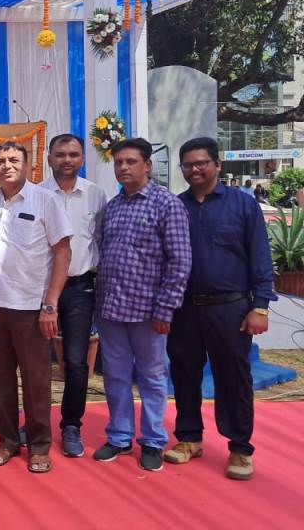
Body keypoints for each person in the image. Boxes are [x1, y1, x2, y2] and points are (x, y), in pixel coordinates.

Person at [165, 137, 276, 481]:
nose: (195, 169)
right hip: (184, 309)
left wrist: (260, 306)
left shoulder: (243, 204)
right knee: (184, 374)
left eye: (201, 163)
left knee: (233, 378)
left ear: (218, 164)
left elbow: (260, 255)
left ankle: (240, 447)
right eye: (188, 165)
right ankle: (189, 437)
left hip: (230, 308)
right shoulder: (175, 206)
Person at [93, 138, 191, 472]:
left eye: (131, 161)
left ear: (147, 165)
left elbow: (180, 262)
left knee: (152, 376)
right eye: (118, 162)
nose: (123, 167)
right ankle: (120, 437)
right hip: (111, 309)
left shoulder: (166, 204)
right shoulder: (113, 207)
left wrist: (166, 308)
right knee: (115, 376)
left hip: (149, 313)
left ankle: (152, 440)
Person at [0, 142, 72, 474]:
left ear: (29, 165)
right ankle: (6, 441)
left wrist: (51, 304)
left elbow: (63, 252)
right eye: (0, 161)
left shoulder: (46, 200)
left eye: (14, 159)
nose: (7, 165)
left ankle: (39, 445)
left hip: (30, 308)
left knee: (35, 381)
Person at [44, 134, 108, 457]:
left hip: (81, 288)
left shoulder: (96, 195)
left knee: (76, 361)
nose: (67, 160)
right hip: (41, 291)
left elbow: (101, 239)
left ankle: (71, 424)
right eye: (60, 154)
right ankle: (37, 422)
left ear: (82, 158)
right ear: (49, 158)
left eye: (73, 154)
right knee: (36, 361)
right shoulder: (37, 194)